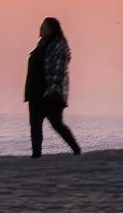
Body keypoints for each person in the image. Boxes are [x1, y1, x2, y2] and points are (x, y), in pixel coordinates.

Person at [23, 17, 81, 157]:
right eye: (41, 26)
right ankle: (36, 154)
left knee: (56, 123)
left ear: (52, 29)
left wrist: (53, 89)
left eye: (44, 26)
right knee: (35, 125)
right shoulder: (41, 44)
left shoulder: (58, 45)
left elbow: (59, 69)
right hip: (35, 90)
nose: (41, 28)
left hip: (50, 91)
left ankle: (76, 149)